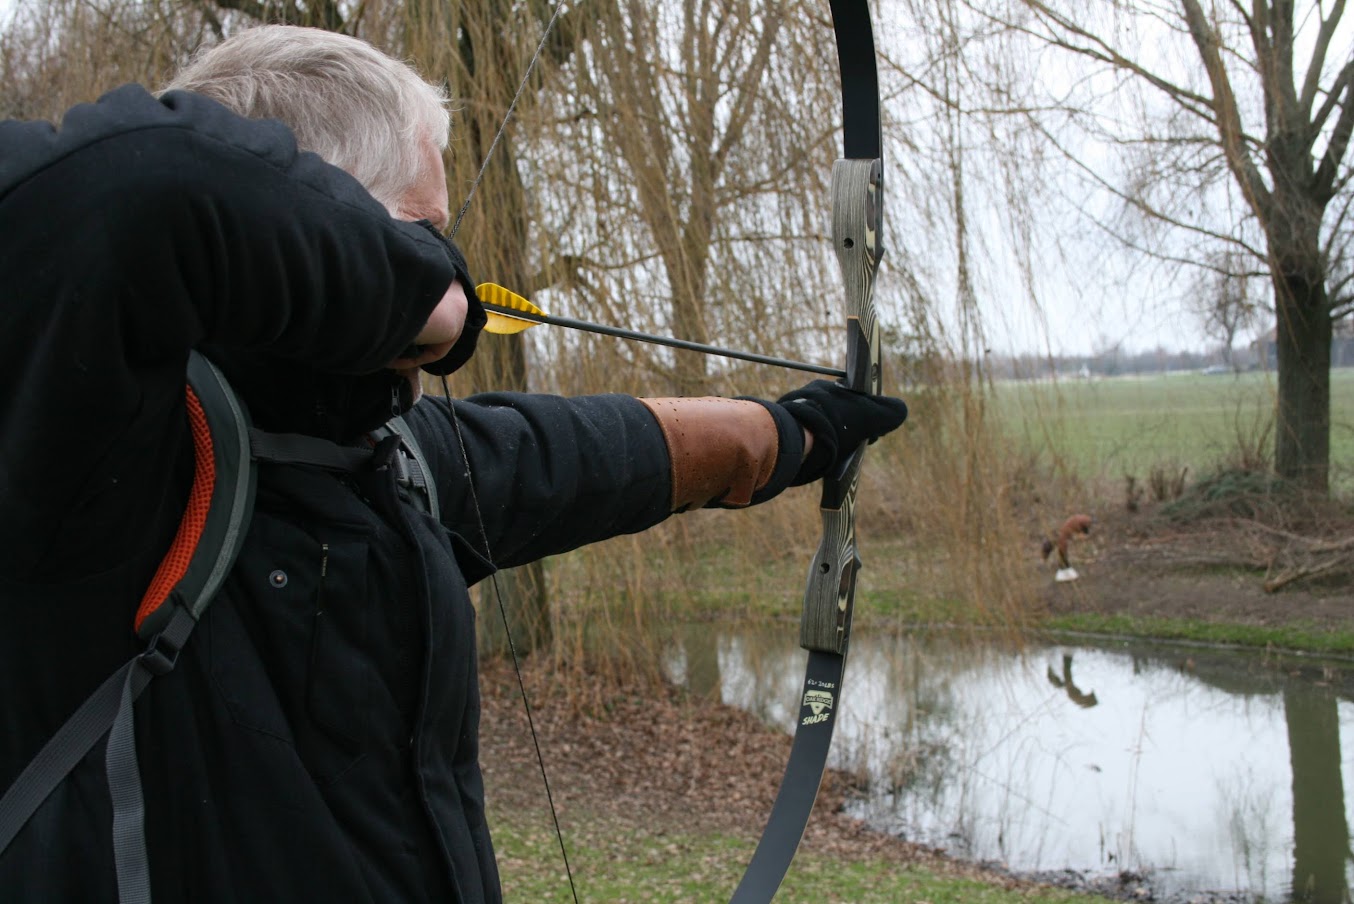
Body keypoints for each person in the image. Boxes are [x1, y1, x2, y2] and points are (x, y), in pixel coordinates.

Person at [0, 25, 907, 903]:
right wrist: (412, 296)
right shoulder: (97, 462)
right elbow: (122, 188)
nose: (451, 266)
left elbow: (594, 456)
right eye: (422, 232)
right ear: (307, 217)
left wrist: (796, 436)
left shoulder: (387, 464)